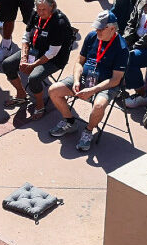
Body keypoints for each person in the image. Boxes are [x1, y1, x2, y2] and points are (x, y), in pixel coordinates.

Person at [48, 9, 127, 152]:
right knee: (53, 90)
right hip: (84, 79)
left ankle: (88, 130)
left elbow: (115, 80)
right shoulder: (92, 37)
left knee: (98, 105)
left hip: (105, 85)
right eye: (96, 27)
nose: (97, 31)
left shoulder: (122, 48)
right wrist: (77, 80)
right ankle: (69, 121)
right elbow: (79, 61)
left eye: (101, 28)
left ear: (112, 29)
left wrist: (92, 90)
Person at [1, 0, 74, 120]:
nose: (40, 12)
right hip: (35, 50)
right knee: (7, 64)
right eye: (38, 9)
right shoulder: (35, 14)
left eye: (44, 9)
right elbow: (26, 35)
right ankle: (21, 95)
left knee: (34, 78)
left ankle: (40, 106)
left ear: (52, 6)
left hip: (54, 59)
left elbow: (52, 53)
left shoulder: (59, 23)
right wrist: (24, 57)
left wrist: (32, 65)